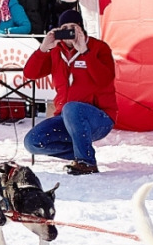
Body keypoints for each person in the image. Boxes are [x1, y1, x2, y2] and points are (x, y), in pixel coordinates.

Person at [22, 9, 117, 175]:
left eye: (73, 27)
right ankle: (80, 153)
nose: (69, 32)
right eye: (64, 28)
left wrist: (85, 52)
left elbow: (105, 80)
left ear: (81, 28)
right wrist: (43, 48)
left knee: (71, 107)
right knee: (32, 142)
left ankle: (86, 162)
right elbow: (30, 73)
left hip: (98, 119)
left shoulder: (98, 48)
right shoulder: (55, 51)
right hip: (66, 119)